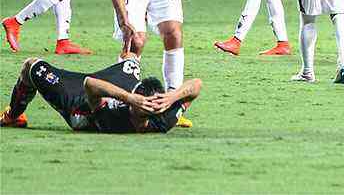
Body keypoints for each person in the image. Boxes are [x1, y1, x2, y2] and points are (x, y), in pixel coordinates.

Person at [0, 55, 201, 133]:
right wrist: (172, 97)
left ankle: (13, 116)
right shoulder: (164, 119)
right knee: (131, 60)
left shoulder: (114, 118)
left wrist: (128, 98)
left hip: (80, 103)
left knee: (30, 67)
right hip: (107, 88)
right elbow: (197, 85)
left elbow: (89, 85)